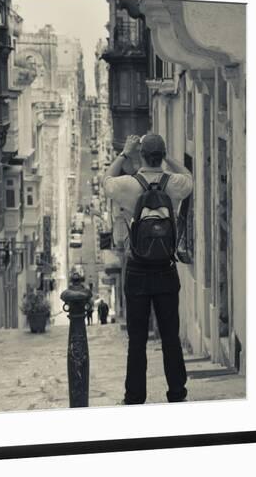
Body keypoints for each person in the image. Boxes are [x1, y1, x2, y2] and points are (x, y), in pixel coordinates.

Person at [103, 133, 193, 404]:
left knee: (137, 340)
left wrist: (124, 153)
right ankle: (177, 393)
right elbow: (189, 175)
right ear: (161, 155)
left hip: (138, 270)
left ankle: (134, 396)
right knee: (170, 337)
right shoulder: (174, 184)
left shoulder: (128, 185)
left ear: (140, 156)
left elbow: (106, 180)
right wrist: (168, 158)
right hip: (165, 269)